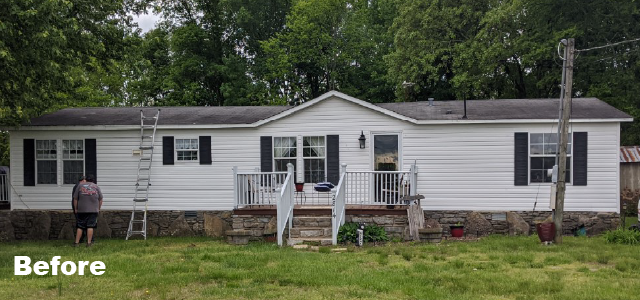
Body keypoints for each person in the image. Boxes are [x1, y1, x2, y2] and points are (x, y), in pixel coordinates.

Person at [73, 175, 103, 247]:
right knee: (90, 226)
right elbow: (100, 199)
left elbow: (75, 199)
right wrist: (98, 208)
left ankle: (76, 243)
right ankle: (89, 243)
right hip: (93, 210)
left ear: (86, 179)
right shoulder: (96, 187)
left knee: (80, 226)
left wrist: (76, 208)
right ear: (93, 180)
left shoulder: (80, 186)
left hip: (82, 210)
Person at [71, 176, 87, 243]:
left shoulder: (76, 186)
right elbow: (76, 198)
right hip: (79, 208)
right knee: (82, 223)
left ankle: (81, 238)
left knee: (81, 223)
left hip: (78, 207)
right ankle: (81, 239)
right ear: (83, 180)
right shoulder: (79, 186)